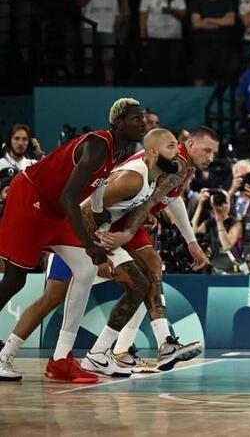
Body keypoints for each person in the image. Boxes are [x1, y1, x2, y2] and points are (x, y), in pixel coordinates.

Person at [0, 99, 146, 383]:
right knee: (15, 279)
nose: (142, 122)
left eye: (144, 118)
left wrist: (104, 221)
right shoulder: (97, 146)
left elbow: (98, 190)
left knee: (86, 269)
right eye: (136, 118)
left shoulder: (120, 151)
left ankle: (60, 360)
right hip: (31, 198)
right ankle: (5, 356)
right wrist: (90, 244)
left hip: (55, 210)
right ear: (118, 122)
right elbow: (70, 196)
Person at [88, 127, 218, 372]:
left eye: (214, 153)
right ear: (189, 144)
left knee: (150, 272)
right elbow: (148, 200)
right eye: (207, 150)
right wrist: (127, 232)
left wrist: (191, 240)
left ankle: (129, 349)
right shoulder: (176, 163)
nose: (210, 157)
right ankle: (133, 348)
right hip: (114, 220)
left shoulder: (183, 165)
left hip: (128, 219)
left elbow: (171, 198)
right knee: (147, 273)